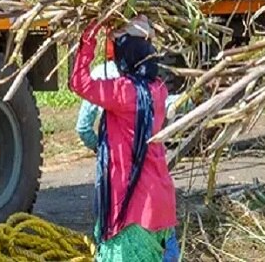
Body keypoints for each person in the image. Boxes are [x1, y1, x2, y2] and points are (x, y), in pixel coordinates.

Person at [70, 16, 179, 262]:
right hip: (161, 204)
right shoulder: (158, 90)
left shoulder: (122, 92)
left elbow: (79, 82)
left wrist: (90, 33)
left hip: (132, 209)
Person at [75, 57, 183, 152]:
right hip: (146, 155)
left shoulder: (99, 75)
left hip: (115, 159)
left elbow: (83, 128)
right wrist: (193, 97)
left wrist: (101, 149)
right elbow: (167, 103)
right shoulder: (144, 78)